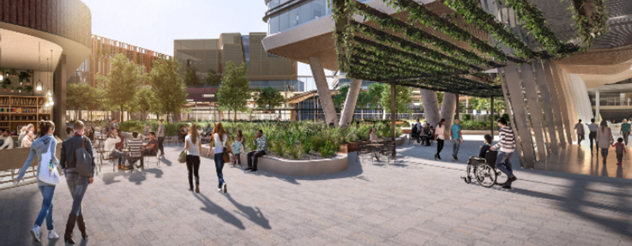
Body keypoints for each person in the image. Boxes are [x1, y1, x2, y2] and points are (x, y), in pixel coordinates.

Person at [15, 121, 60, 242]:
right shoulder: (52, 140)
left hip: (40, 175)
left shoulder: (35, 142)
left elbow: (29, 160)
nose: (54, 131)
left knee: (48, 203)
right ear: (50, 129)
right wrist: (63, 167)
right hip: (49, 173)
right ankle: (36, 227)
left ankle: (51, 231)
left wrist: (20, 174)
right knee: (47, 204)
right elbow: (53, 158)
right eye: (53, 129)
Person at [60, 120, 94, 244]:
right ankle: (67, 233)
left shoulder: (66, 142)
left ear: (73, 129)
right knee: (76, 203)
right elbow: (92, 158)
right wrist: (92, 175)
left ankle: (83, 231)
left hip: (69, 175)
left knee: (77, 202)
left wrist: (65, 174)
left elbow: (61, 161)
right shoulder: (86, 140)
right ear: (83, 129)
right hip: (83, 175)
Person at [490, 117, 517, 189]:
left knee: (497, 164)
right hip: (510, 151)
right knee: (509, 167)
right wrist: (512, 150)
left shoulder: (502, 130)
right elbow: (514, 142)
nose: (498, 124)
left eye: (498, 123)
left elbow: (502, 141)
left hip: (504, 151)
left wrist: (494, 146)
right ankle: (508, 185)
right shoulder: (510, 130)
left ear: (500, 122)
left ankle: (511, 176)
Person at [209, 122, 228, 193]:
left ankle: (223, 182)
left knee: (218, 171)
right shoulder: (225, 135)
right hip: (223, 154)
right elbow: (227, 144)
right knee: (220, 171)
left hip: (217, 154)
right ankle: (219, 187)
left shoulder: (214, 135)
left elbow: (211, 144)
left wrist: (209, 152)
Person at [184, 124, 202, 193]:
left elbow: (186, 147)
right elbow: (200, 147)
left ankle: (191, 187)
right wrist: (199, 153)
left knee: (190, 172)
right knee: (196, 173)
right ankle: (197, 184)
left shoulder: (187, 137)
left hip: (189, 156)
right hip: (196, 156)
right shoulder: (198, 137)